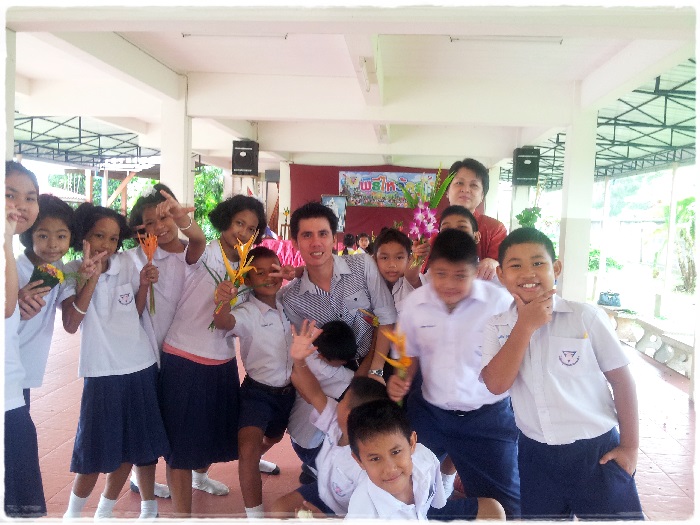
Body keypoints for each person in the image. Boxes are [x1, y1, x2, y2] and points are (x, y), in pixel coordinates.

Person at [480, 227, 644, 520]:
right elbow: (496, 384)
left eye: (538, 263)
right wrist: (525, 325)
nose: (528, 273)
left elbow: (622, 381)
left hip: (596, 452)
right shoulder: (497, 326)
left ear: (556, 268)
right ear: (501, 275)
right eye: (516, 265)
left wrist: (630, 447)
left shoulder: (585, 317)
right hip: (535, 456)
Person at [387, 228, 520, 519]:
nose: (449, 284)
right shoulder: (415, 304)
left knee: (507, 508)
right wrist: (402, 378)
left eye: (460, 275)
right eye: (441, 274)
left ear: (475, 271)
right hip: (430, 416)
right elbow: (408, 355)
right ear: (430, 269)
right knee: (403, 493)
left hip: (487, 419)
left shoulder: (499, 304)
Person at [159, 194, 266, 517]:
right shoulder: (205, 251)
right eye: (238, 223)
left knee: (211, 435)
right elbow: (195, 236)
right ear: (225, 221)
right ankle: (183, 517)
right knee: (181, 448)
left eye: (251, 228)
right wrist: (181, 218)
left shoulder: (248, 266)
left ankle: (201, 478)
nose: (243, 232)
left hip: (222, 362)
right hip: (184, 357)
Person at [60, 203, 169, 520]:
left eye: (112, 238)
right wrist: (90, 278)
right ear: (83, 235)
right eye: (98, 236)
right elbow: (71, 324)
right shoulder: (70, 270)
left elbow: (134, 312)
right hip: (102, 371)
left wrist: (144, 285)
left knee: (139, 446)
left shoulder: (126, 262)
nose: (106, 245)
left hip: (140, 366)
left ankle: (118, 511)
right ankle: (72, 515)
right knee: (93, 451)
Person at [281, 202, 397, 469]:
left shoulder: (362, 266)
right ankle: (318, 467)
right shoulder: (292, 298)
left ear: (334, 238)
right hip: (332, 372)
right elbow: (304, 354)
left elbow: (386, 317)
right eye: (306, 235)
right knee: (314, 434)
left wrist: (374, 371)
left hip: (376, 361)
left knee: (378, 435)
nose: (316, 242)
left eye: (322, 233)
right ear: (295, 242)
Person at [125, 183, 207, 502]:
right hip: (148, 354)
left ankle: (193, 475)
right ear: (141, 230)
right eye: (150, 223)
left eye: (165, 217)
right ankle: (141, 480)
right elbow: (131, 308)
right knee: (147, 422)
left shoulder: (193, 252)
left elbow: (199, 241)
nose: (160, 227)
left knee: (179, 422)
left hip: (184, 356)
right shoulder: (140, 258)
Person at [270, 319, 390, 518]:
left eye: (342, 401)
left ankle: (314, 470)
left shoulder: (370, 467)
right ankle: (315, 470)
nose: (335, 402)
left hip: (345, 507)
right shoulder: (335, 418)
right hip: (322, 478)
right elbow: (316, 393)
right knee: (279, 509)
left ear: (350, 416)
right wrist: (298, 360)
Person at [212, 246, 293, 518]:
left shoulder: (286, 301)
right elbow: (223, 321)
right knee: (247, 449)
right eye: (259, 273)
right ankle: (255, 517)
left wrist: (294, 272)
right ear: (247, 279)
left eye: (274, 270)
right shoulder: (247, 311)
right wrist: (223, 299)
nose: (269, 277)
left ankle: (257, 457)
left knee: (274, 436)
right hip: (257, 393)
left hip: (288, 393)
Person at [346, 399, 506, 521]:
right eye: (375, 459)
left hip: (427, 513)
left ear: (412, 443)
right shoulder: (362, 514)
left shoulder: (426, 458)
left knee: (493, 510)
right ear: (359, 460)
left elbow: (439, 502)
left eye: (396, 452)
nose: (390, 468)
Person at [4, 160, 46, 518]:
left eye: (30, 197)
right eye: (9, 195)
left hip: (11, 388)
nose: (20, 205)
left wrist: (18, 308)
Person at [17, 194, 74, 407]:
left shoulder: (57, 268)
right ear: (28, 235)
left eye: (61, 236)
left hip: (25, 369)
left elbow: (70, 316)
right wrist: (14, 304)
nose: (53, 245)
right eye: (43, 236)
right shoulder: (13, 269)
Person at [285, 319, 357, 483]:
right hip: (311, 446)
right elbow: (361, 378)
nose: (345, 362)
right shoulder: (335, 374)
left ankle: (311, 468)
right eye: (342, 361)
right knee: (337, 480)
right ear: (322, 356)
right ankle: (315, 470)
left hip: (295, 435)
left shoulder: (308, 351)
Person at [446, 158, 507, 280]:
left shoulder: (495, 229)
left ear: (482, 196)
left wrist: (494, 262)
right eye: (459, 183)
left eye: (474, 185)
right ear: (447, 191)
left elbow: (506, 267)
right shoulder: (429, 226)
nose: (466, 189)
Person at [373, 227, 421, 316]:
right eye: (384, 258)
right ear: (375, 259)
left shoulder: (409, 283)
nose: (392, 265)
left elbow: (412, 275)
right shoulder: (372, 286)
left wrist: (418, 256)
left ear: (409, 259)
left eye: (399, 258)